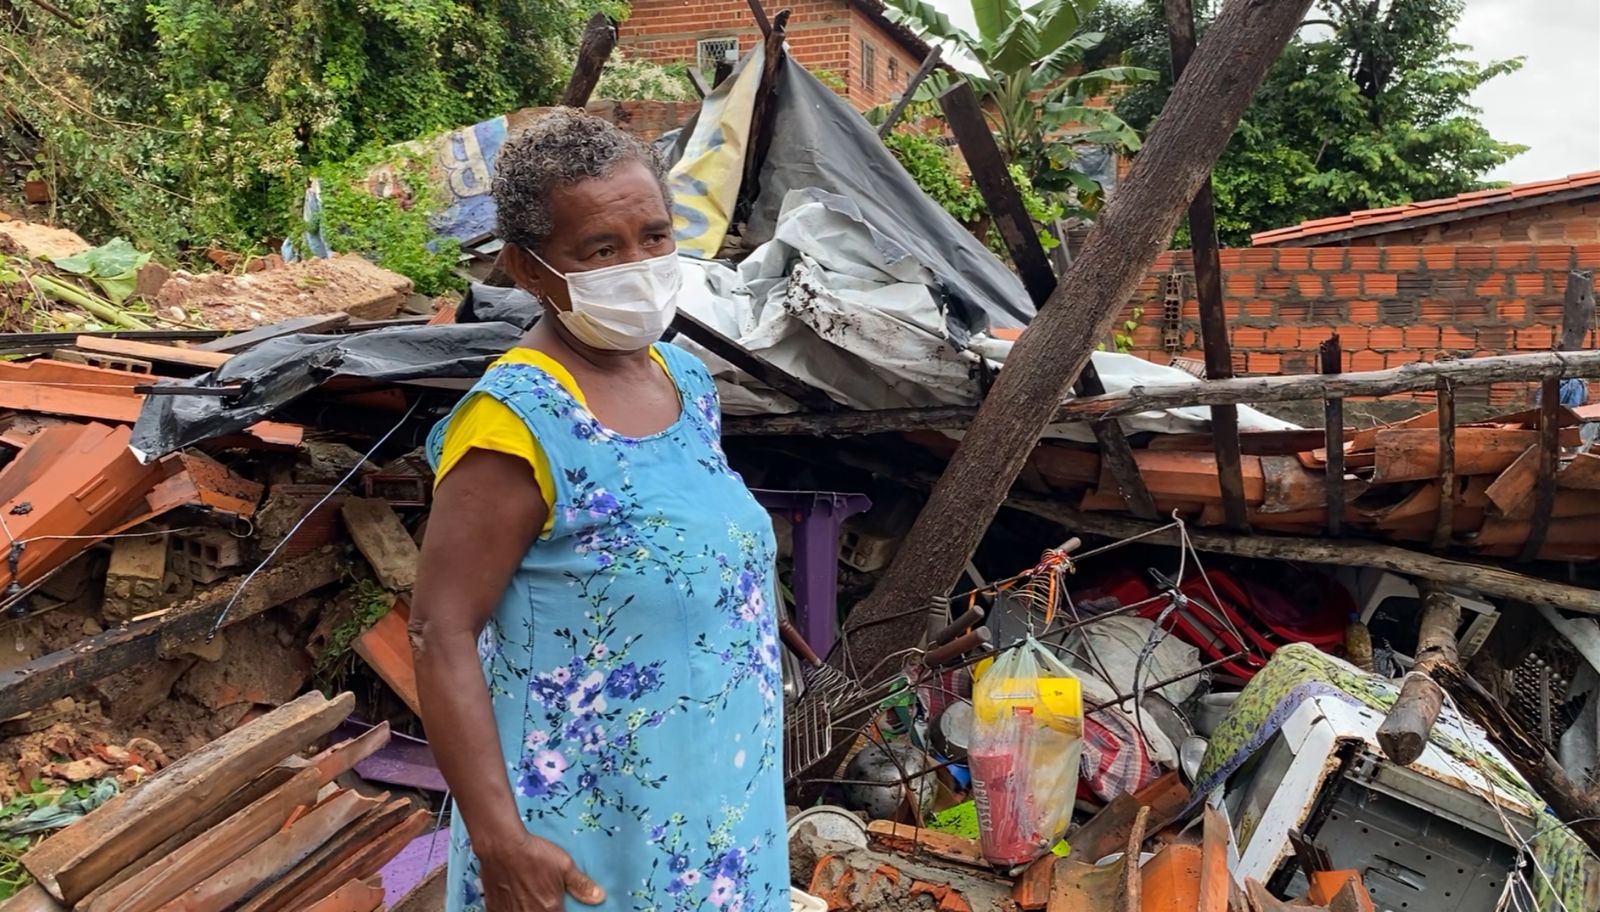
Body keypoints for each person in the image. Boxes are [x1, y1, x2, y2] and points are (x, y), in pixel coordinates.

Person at [410, 109, 786, 912]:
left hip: (717, 814)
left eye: (654, 236)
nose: (642, 265)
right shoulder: (516, 420)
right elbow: (438, 632)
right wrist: (501, 844)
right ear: (529, 268)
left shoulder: (685, 384)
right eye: (602, 250)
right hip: (583, 832)